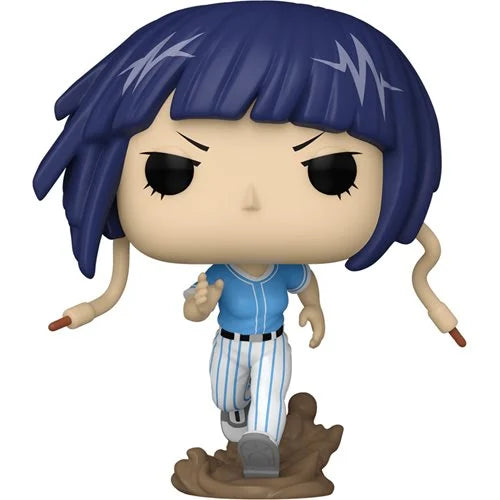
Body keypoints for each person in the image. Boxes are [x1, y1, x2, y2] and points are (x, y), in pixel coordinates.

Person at [33, 1, 464, 479]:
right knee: (225, 393)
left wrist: (315, 308)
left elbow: (307, 286)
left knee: (271, 392)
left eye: (332, 173)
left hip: (272, 342)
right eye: (170, 172)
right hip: (228, 342)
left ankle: (262, 442)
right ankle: (237, 417)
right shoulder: (218, 273)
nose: (251, 201)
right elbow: (194, 308)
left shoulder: (288, 269)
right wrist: (198, 305)